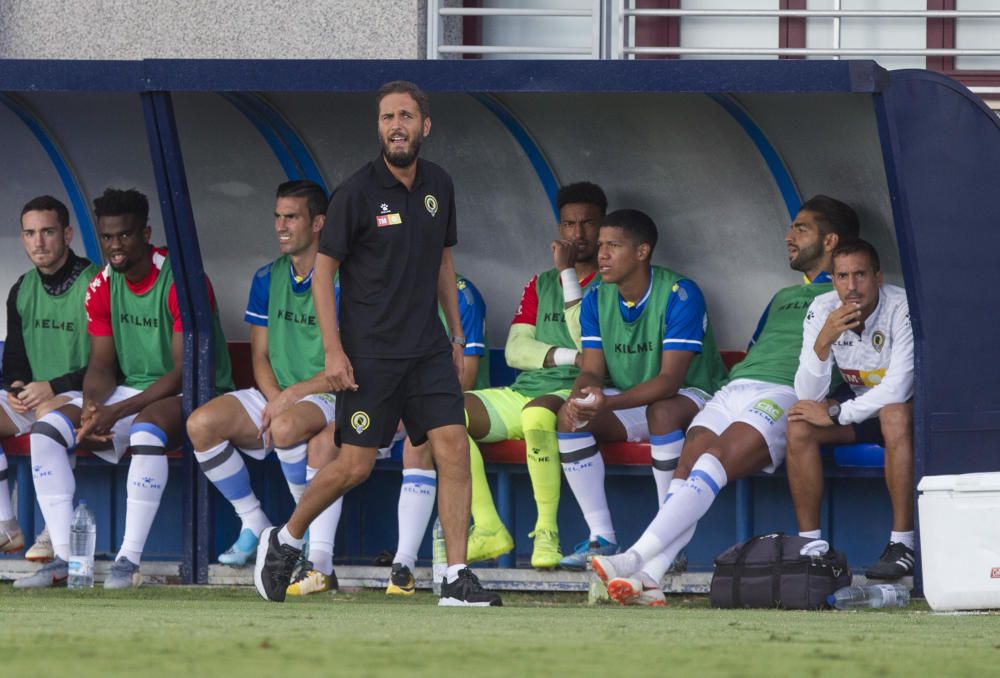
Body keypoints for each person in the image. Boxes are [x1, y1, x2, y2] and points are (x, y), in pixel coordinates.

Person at [254, 80, 501, 606]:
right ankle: (286, 538)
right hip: (370, 356)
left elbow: (442, 261)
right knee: (355, 466)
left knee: (452, 447)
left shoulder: (439, 185)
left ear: (424, 126)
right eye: (388, 117)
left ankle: (456, 576)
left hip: (429, 351)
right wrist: (334, 351)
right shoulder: (355, 194)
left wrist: (458, 334)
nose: (396, 126)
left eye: (406, 116)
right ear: (379, 127)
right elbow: (323, 277)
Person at [591, 195, 860, 606]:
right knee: (687, 464)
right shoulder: (782, 297)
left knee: (713, 460)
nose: (789, 237)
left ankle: (634, 556)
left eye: (801, 229)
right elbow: (756, 350)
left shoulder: (850, 299)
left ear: (830, 240)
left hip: (783, 393)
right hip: (735, 388)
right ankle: (652, 576)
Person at [14, 188, 233, 589]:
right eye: (108, 237)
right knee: (46, 433)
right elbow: (100, 365)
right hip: (130, 391)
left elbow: (186, 371)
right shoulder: (102, 284)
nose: (115, 246)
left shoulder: (181, 279)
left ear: (145, 233)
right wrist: (95, 408)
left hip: (195, 390)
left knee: (146, 431)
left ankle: (127, 561)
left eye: (125, 235)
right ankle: (64, 556)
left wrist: (117, 412)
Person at [186, 180, 345, 596]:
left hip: (331, 392)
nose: (281, 225)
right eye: (277, 216)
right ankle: (255, 524)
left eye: (291, 216)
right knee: (201, 424)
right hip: (280, 392)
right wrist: (276, 399)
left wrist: (288, 401)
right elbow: (259, 358)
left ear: (319, 223)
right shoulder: (266, 277)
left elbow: (344, 366)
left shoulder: (342, 278)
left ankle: (299, 533)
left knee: (287, 426)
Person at [557, 209, 728, 576]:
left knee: (662, 411)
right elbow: (591, 370)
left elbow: (669, 380)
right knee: (568, 420)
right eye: (601, 246)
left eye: (613, 246)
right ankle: (601, 537)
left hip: (695, 396)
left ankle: (668, 540)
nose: (602, 255)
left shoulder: (679, 293)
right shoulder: (595, 298)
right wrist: (580, 400)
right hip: (632, 399)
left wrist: (609, 402)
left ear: (642, 252)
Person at [450, 182, 607, 572]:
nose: (578, 234)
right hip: (526, 390)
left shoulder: (611, 280)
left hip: (571, 393)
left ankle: (547, 533)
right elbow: (518, 350)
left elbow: (588, 342)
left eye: (588, 224)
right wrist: (572, 355)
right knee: (447, 414)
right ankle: (487, 526)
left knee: (537, 415)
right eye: (569, 224)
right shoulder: (540, 282)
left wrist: (568, 274)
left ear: (604, 228)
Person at [787, 238, 915, 579]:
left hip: (908, 408)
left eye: (860, 275)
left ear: (877, 276)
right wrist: (823, 340)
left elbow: (899, 388)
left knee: (894, 413)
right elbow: (808, 393)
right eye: (842, 276)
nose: (851, 287)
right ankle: (810, 550)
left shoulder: (902, 306)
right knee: (799, 424)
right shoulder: (822, 308)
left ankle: (902, 544)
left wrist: (836, 414)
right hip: (859, 402)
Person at [0, 196, 100, 558]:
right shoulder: (22, 288)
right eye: (30, 233)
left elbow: (107, 365)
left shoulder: (95, 283)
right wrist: (13, 388)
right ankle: (6, 524)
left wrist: (53, 387)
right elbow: (14, 360)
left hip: (80, 393)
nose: (38, 242)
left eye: (48, 232)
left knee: (49, 416)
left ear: (68, 234)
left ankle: (51, 530)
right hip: (36, 395)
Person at [386, 271, 487, 595]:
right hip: (388, 404)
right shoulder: (390, 286)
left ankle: (403, 566)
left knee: (422, 439)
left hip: (452, 406)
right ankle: (313, 557)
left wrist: (406, 409)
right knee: (331, 444)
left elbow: (466, 377)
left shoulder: (463, 294)